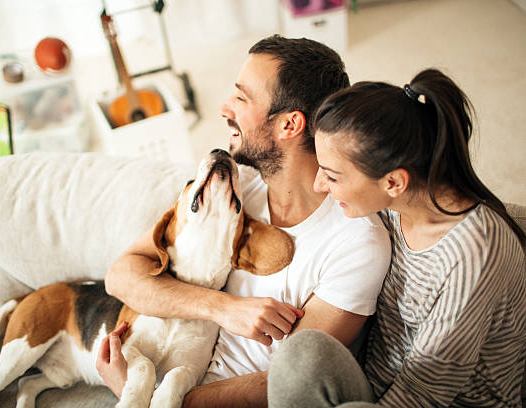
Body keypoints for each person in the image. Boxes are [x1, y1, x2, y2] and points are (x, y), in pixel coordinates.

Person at [96, 35, 392, 407]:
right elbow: (121, 275)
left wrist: (149, 397)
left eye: (241, 97)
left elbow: (288, 380)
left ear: (289, 125)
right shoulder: (236, 184)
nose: (224, 107)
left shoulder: (357, 242)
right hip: (168, 368)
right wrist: (222, 308)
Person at [267, 68, 526, 407]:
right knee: (301, 353)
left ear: (393, 183)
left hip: (438, 400)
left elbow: (425, 394)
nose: (320, 185)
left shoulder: (474, 253)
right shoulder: (393, 204)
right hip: (378, 376)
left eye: (331, 176)